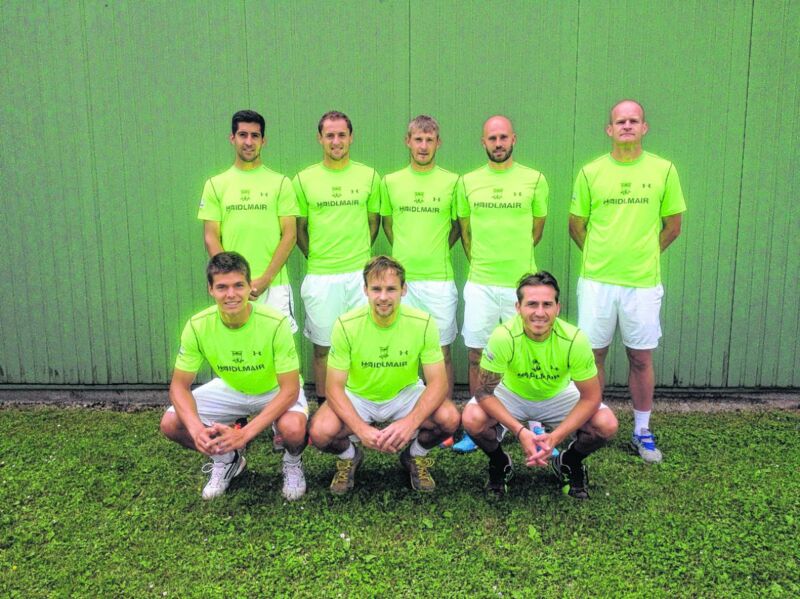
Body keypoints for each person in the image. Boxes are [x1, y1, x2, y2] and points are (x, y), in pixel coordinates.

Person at [568, 99, 686, 463]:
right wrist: (604, 256)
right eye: (620, 121)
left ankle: (641, 431)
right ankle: (592, 424)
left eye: (634, 120)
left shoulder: (664, 170)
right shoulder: (590, 172)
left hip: (642, 283)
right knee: (593, 356)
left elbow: (673, 226)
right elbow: (576, 225)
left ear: (644, 128)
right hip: (597, 282)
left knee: (640, 356)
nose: (627, 126)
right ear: (609, 129)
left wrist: (643, 255)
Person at [159, 252, 309, 501]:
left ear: (250, 286)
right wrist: (196, 430)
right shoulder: (197, 325)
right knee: (171, 423)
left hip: (274, 389)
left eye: (238, 285)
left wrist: (244, 434)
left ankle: (292, 462)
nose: (231, 294)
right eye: (222, 287)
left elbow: (290, 389)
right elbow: (179, 387)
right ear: (210, 290)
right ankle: (227, 459)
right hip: (232, 387)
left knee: (292, 429)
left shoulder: (275, 323)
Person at [308, 256, 460, 494]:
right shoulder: (346, 325)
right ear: (365, 290)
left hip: (404, 393)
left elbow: (439, 383)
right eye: (376, 289)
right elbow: (333, 388)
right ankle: (349, 456)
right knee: (320, 431)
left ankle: (415, 455)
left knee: (449, 418)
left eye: (391, 289)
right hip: (359, 395)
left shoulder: (423, 323)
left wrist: (410, 424)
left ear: (404, 289)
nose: (383, 297)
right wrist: (361, 429)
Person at [462, 272, 618, 499]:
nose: (540, 312)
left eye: (547, 304)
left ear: (558, 308)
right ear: (518, 307)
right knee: (472, 418)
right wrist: (520, 431)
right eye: (532, 304)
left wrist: (555, 437)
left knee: (606, 424)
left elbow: (591, 397)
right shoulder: (503, 336)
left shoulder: (575, 339)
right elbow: (484, 392)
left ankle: (569, 461)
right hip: (512, 393)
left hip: (558, 394)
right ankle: (500, 462)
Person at [455, 115, 550, 451]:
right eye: (492, 138)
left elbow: (536, 230)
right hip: (481, 282)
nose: (498, 143)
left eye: (503, 137)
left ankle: (532, 423)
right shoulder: (467, 182)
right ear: (483, 142)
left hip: (521, 286)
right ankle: (478, 424)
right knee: (477, 354)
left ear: (514, 139)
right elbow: (466, 233)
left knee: (524, 353)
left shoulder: (535, 180)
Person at [293, 111, 381, 405]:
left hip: (359, 276)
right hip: (321, 275)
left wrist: (357, 256)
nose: (336, 141)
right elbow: (299, 230)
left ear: (351, 137)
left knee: (360, 343)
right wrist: (319, 256)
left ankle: (358, 404)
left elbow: (373, 223)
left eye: (342, 134)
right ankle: (325, 406)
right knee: (323, 348)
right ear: (319, 138)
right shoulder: (303, 179)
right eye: (329, 135)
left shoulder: (369, 176)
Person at [379, 115, 460, 414]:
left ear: (438, 143)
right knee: (406, 351)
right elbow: (388, 226)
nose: (423, 146)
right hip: (403, 283)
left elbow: (457, 228)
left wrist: (433, 249)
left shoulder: (453, 182)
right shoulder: (390, 182)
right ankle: (409, 413)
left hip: (439, 279)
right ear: (407, 141)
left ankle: (444, 415)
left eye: (429, 140)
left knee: (441, 350)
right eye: (418, 140)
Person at [198, 110, 299, 331]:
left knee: (279, 348)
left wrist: (266, 279)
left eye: (255, 135)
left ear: (264, 140)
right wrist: (234, 281)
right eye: (243, 135)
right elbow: (211, 237)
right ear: (232, 138)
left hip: (274, 285)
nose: (249, 142)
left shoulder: (281, 183)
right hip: (234, 290)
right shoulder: (215, 185)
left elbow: (290, 235)